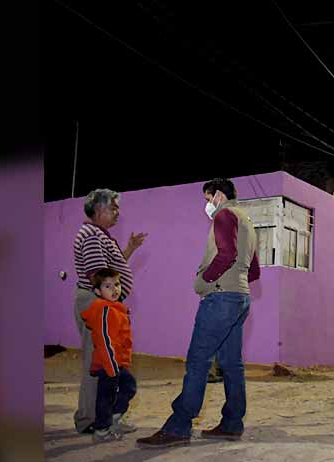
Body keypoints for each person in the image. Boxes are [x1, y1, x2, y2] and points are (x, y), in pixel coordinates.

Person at [137, 178, 261, 448]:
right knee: (231, 364)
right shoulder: (248, 222)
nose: (207, 205)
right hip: (240, 298)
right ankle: (231, 424)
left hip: (219, 298)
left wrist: (205, 280)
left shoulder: (225, 215)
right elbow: (254, 271)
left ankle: (179, 426)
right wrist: (233, 285)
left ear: (218, 195)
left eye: (207, 199)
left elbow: (226, 254)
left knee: (198, 361)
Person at [72, 188, 147, 434]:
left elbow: (109, 272)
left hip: (103, 305)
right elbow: (98, 278)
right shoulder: (93, 236)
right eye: (113, 208)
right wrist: (113, 308)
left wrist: (129, 249)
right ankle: (90, 420)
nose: (117, 213)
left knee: (106, 364)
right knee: (98, 364)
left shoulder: (99, 235)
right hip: (98, 306)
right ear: (100, 209)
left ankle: (104, 417)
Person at [80, 268, 137, 443]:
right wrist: (111, 366)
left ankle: (113, 417)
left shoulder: (116, 308)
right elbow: (104, 340)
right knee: (106, 396)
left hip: (118, 362)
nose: (114, 289)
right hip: (108, 364)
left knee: (129, 386)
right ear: (97, 292)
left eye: (117, 285)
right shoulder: (104, 311)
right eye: (107, 286)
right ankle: (102, 430)